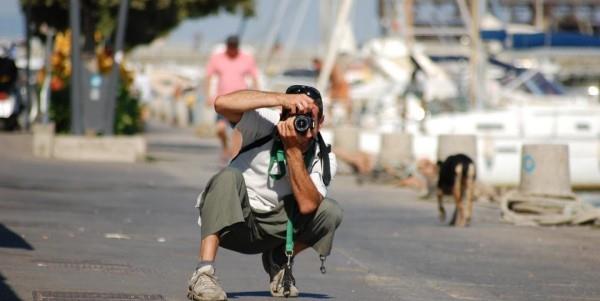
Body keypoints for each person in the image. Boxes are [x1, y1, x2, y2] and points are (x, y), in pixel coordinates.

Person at [187, 85, 343, 301]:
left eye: (309, 117)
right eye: (295, 115)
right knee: (227, 178)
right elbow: (221, 103)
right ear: (283, 113)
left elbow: (308, 205)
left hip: (278, 232)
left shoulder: (323, 157)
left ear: (321, 121)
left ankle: (278, 260)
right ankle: (203, 275)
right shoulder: (265, 125)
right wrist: (281, 99)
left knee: (330, 211)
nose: (301, 123)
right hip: (234, 221)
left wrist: (292, 150)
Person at [204, 35, 259, 162]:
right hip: (223, 101)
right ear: (227, 46)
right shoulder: (217, 58)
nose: (232, 49)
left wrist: (256, 96)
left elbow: (254, 77)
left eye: (234, 46)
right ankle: (224, 147)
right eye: (230, 46)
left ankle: (234, 161)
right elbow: (208, 76)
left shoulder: (246, 59)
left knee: (237, 132)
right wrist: (208, 95)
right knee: (220, 129)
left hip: (241, 101)